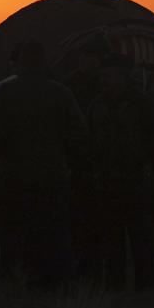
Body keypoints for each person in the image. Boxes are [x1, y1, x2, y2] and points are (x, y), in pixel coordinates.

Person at [0, 38, 87, 289]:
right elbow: (79, 134)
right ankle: (56, 282)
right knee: (54, 233)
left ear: (19, 62)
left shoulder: (5, 93)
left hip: (15, 177)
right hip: (52, 176)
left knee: (15, 234)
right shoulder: (60, 93)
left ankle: (15, 280)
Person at [87, 53, 154, 290]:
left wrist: (140, 153)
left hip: (135, 180)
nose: (105, 80)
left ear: (123, 76)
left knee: (140, 236)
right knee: (112, 238)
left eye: (109, 75)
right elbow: (87, 135)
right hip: (107, 180)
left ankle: (145, 286)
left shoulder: (141, 102)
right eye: (103, 76)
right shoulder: (98, 104)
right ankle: (114, 285)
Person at [62, 34, 110, 281]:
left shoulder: (109, 88)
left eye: (90, 57)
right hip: (80, 162)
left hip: (102, 163)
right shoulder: (72, 85)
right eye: (83, 56)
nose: (85, 61)